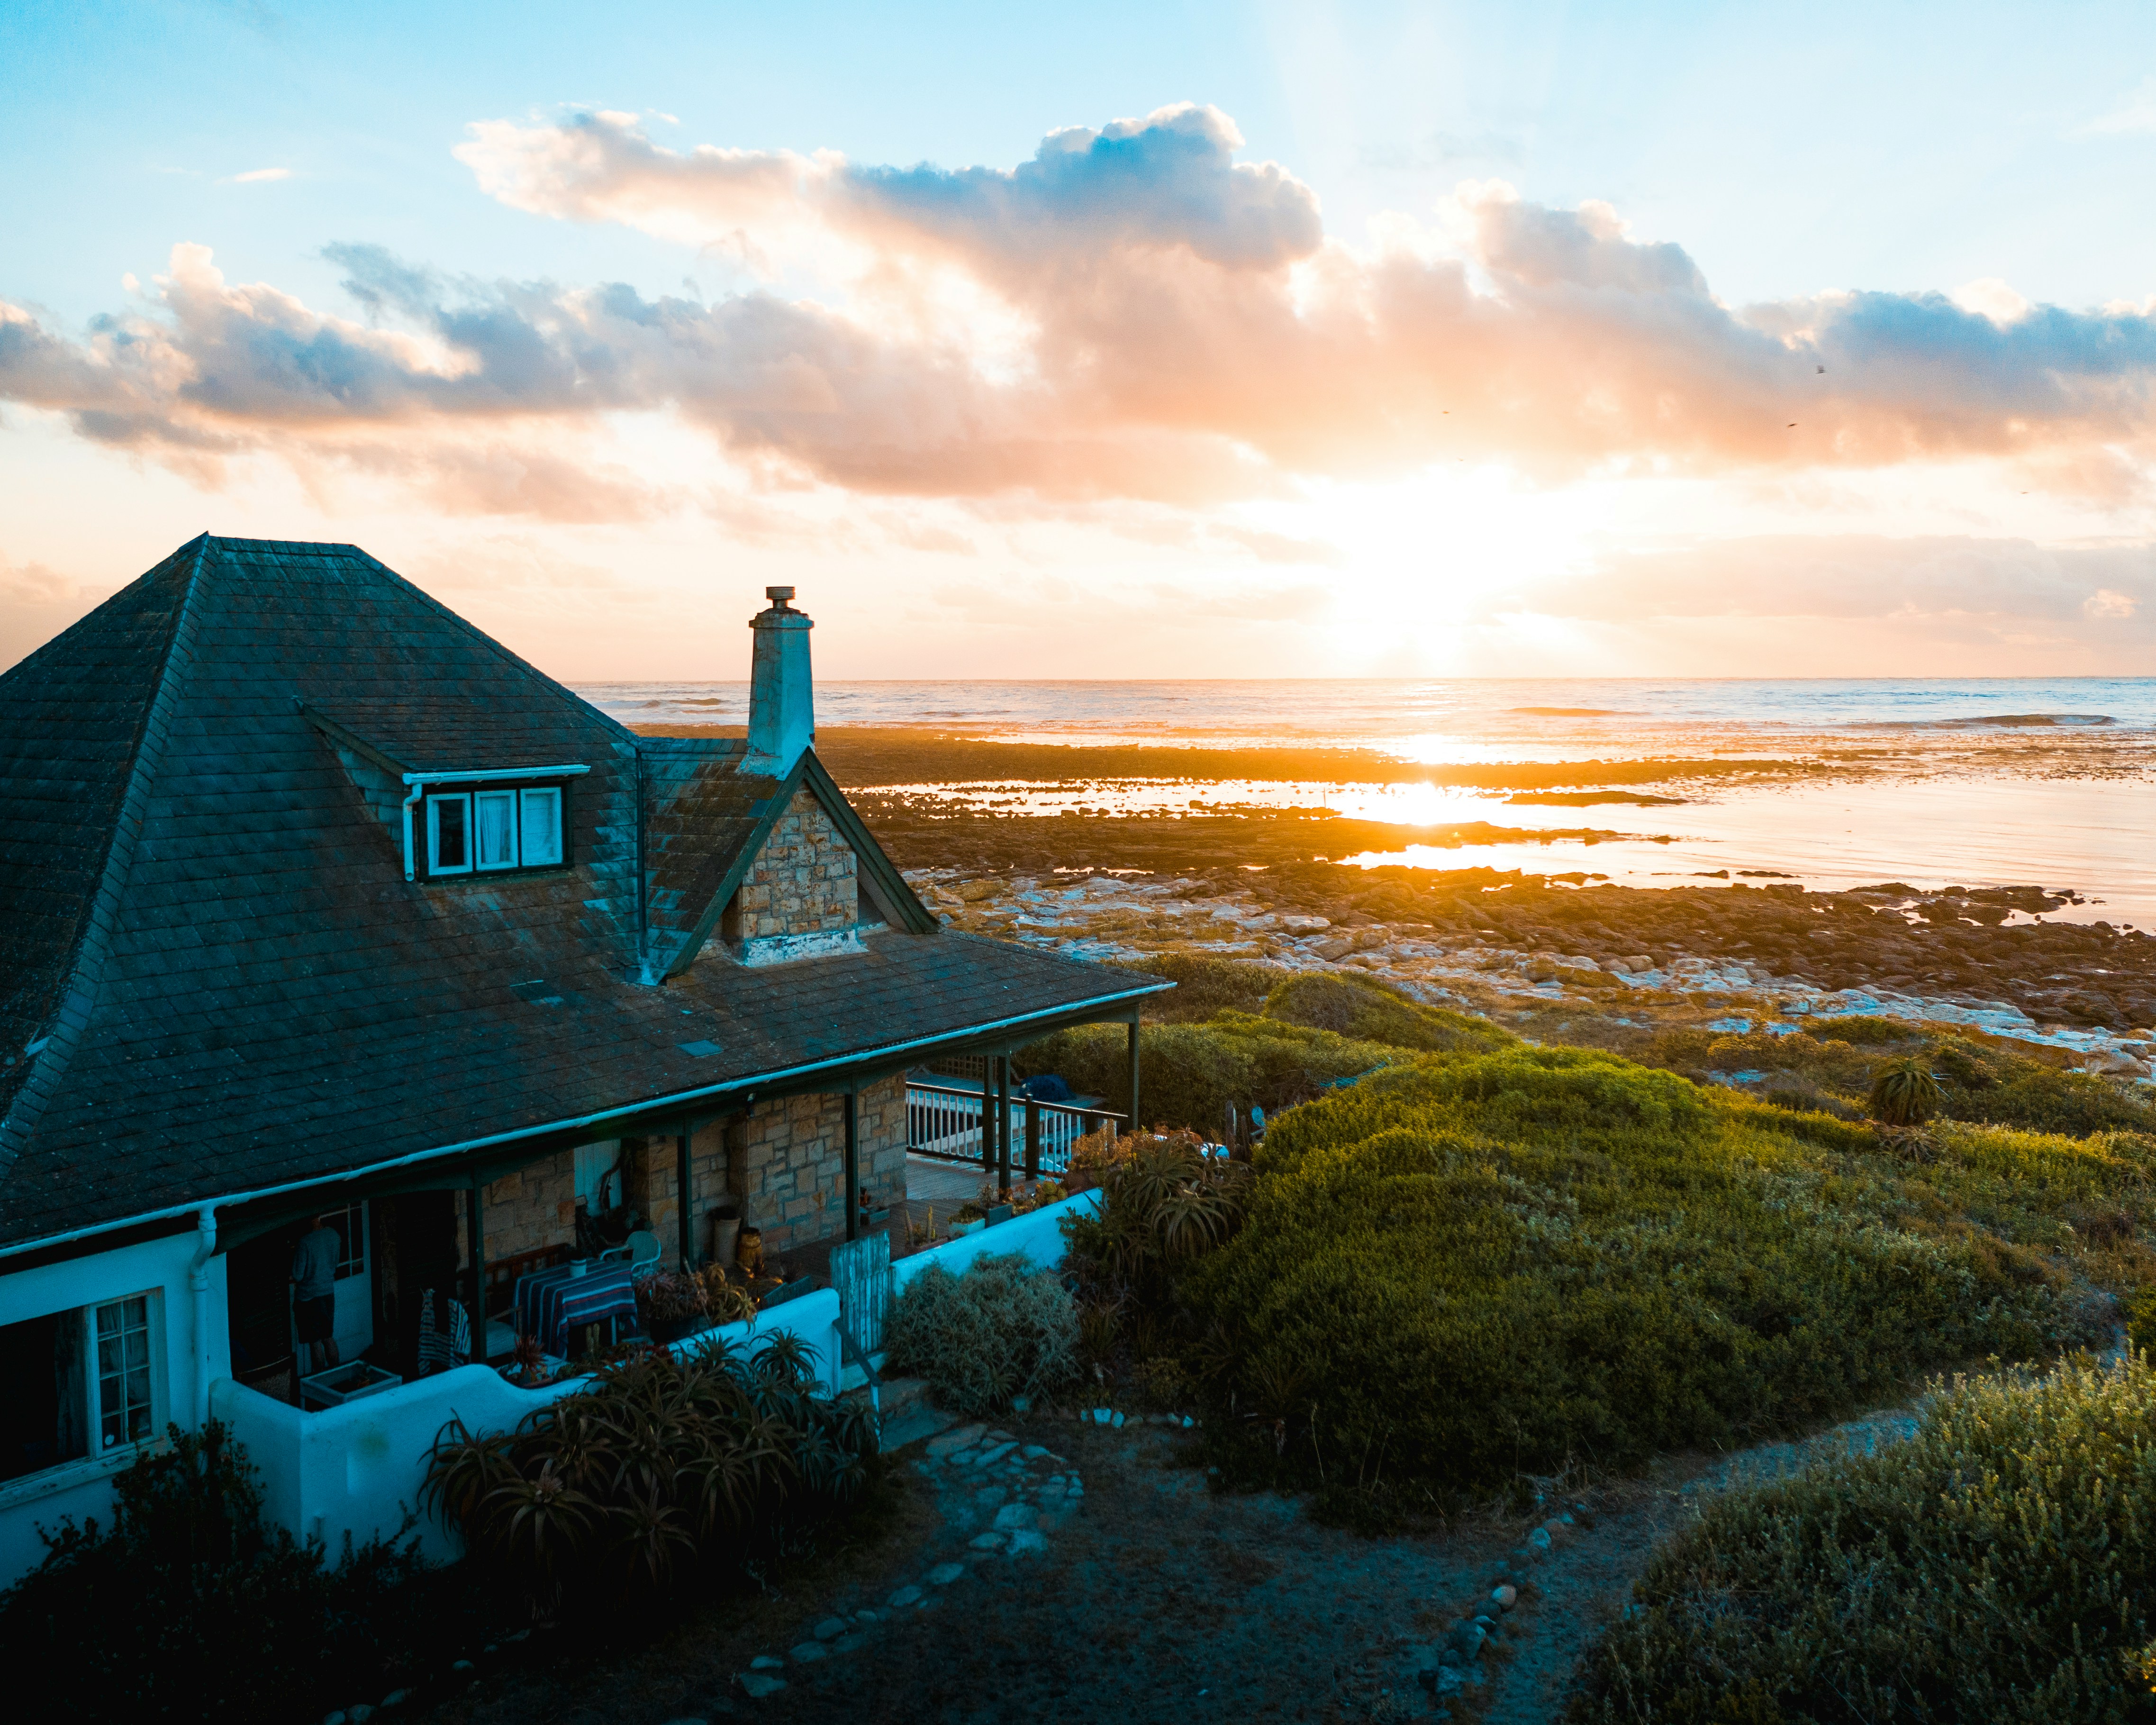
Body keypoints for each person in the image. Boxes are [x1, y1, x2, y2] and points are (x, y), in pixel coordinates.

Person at [290, 1215, 342, 1375]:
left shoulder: (305, 1242)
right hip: (328, 1293)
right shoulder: (334, 1235)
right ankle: (336, 1375)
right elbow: (335, 1263)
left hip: (309, 1298)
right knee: (328, 1336)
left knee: (315, 1341)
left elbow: (298, 1275)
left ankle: (319, 1380)